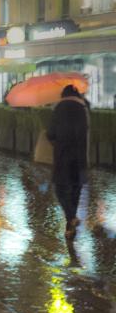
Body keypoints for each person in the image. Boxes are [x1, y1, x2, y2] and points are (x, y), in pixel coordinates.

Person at [46, 84, 90, 240]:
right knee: (75, 191)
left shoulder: (59, 108)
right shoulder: (84, 108)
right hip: (80, 157)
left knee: (60, 189)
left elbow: (51, 133)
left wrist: (55, 141)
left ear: (63, 95)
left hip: (63, 156)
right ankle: (70, 227)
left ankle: (71, 218)